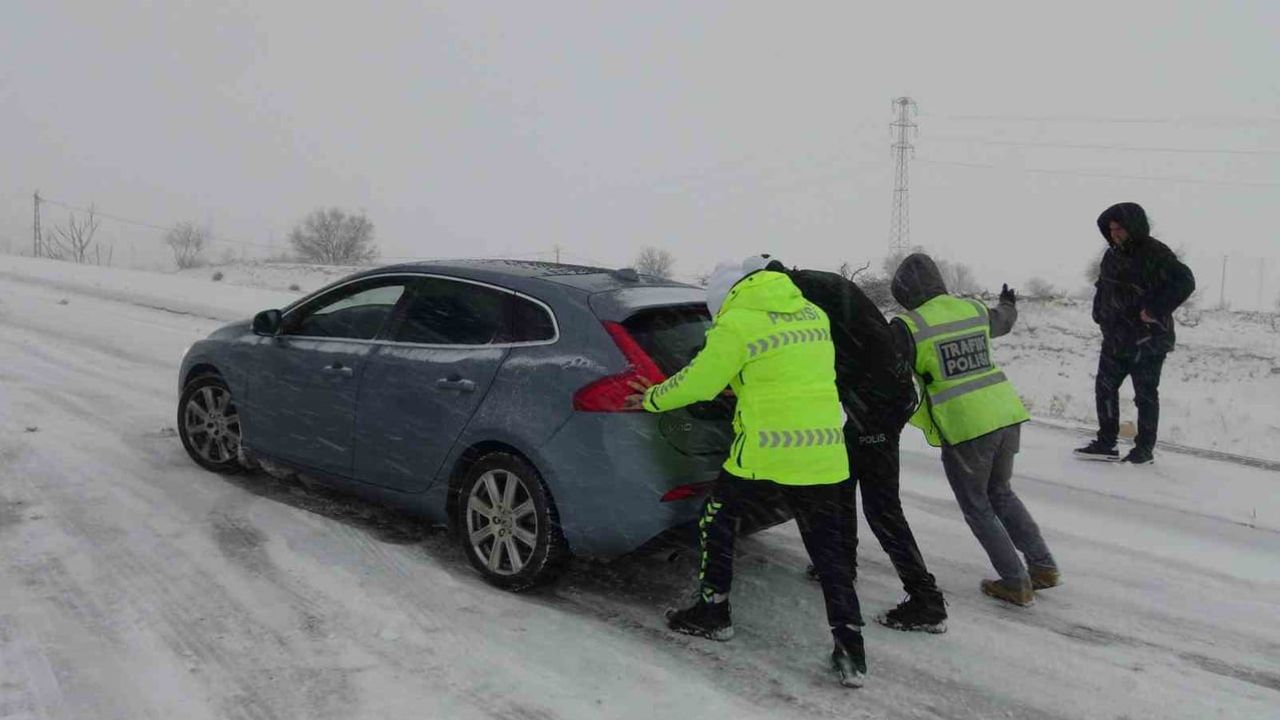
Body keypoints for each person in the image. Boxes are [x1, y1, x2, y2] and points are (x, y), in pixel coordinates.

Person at [624, 257, 867, 688]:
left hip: (764, 455)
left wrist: (652, 398)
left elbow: (699, 383)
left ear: (725, 298)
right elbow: (791, 374)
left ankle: (713, 612)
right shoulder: (812, 313)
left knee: (716, 521)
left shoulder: (737, 324)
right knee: (829, 553)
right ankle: (851, 650)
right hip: (824, 453)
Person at [759, 256, 948, 633]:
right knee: (841, 479)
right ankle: (844, 561)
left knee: (881, 507)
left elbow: (814, 352)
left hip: (876, 404)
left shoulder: (802, 298)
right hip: (880, 397)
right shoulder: (819, 284)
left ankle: (927, 601)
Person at [889, 253, 1059, 607]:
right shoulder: (971, 309)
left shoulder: (909, 326)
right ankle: (1043, 566)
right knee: (1002, 493)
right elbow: (1005, 321)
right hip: (1005, 413)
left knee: (977, 506)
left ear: (904, 291)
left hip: (967, 426)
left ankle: (1016, 582)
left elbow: (889, 368)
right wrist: (1008, 303)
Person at [1075, 202, 1196, 465]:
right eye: (1111, 229)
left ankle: (1144, 450)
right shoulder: (1112, 255)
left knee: (1145, 396)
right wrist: (1099, 312)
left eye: (1120, 228)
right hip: (1116, 337)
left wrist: (1154, 309)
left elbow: (1185, 281)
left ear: (1134, 226)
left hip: (1148, 339)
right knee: (1104, 389)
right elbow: (1103, 286)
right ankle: (1106, 442)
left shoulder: (1155, 253)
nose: (1115, 234)